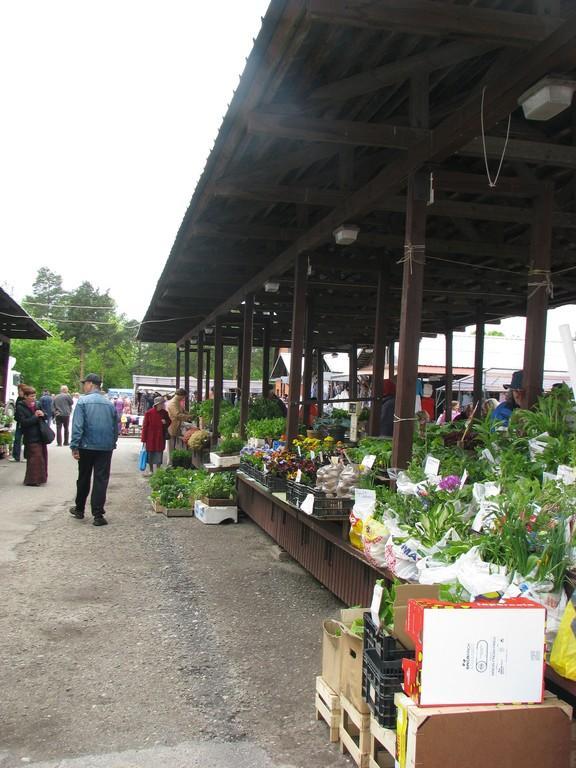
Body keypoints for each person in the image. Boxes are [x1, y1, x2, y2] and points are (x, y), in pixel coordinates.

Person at [69, 374, 118, 527]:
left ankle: (79, 509)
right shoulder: (109, 404)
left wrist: (74, 445)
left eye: (85, 384)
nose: (84, 386)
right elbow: (115, 427)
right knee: (101, 479)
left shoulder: (83, 402)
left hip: (86, 446)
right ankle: (98, 514)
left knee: (83, 477)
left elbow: (78, 426)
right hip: (105, 447)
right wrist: (112, 442)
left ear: (90, 384)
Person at [15, 385, 48, 486]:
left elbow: (46, 415)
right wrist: (35, 416)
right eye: (31, 396)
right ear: (25, 396)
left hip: (41, 434)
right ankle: (32, 480)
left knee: (42, 457)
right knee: (35, 457)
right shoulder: (20, 406)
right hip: (30, 436)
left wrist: (43, 414)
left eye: (34, 396)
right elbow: (23, 422)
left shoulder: (38, 404)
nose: (34, 398)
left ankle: (41, 478)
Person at [141, 396, 171, 475]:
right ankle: (151, 470)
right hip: (150, 437)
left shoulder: (165, 413)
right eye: (161, 404)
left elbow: (169, 421)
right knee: (150, 453)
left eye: (163, 404)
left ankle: (158, 470)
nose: (163, 405)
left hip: (160, 437)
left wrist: (166, 422)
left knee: (159, 452)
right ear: (157, 404)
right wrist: (144, 439)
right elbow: (145, 426)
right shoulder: (149, 413)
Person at [166, 388, 191, 462]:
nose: (184, 398)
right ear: (181, 395)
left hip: (177, 427)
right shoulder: (173, 403)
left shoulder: (177, 402)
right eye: (184, 397)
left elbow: (183, 411)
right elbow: (177, 415)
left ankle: (174, 462)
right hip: (172, 427)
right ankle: (170, 463)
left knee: (174, 446)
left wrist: (189, 414)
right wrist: (189, 417)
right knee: (171, 446)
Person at [9, 383, 25, 462]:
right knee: (17, 439)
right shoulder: (18, 398)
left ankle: (26, 456)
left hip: (26, 422)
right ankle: (16, 456)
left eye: (20, 391)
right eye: (18, 391)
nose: (19, 392)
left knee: (26, 440)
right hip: (19, 422)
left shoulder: (26, 399)